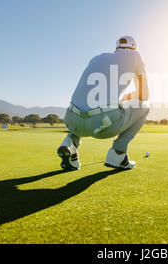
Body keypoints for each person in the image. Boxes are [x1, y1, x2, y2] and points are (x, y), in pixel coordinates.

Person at [57, 36, 149, 171]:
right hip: (103, 124)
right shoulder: (135, 55)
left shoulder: (97, 58)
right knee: (144, 107)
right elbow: (144, 95)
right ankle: (118, 153)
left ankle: (70, 143)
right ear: (134, 47)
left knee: (83, 112)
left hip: (72, 120)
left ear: (116, 47)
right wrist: (126, 97)